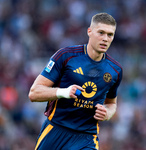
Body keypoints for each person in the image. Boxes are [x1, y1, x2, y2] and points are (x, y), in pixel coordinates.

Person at [28, 12, 123, 150]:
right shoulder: (66, 56)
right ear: (89, 31)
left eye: (110, 35)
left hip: (86, 137)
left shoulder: (115, 70)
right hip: (56, 131)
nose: (105, 39)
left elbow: (111, 103)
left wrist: (108, 113)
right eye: (101, 32)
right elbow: (34, 93)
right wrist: (64, 92)